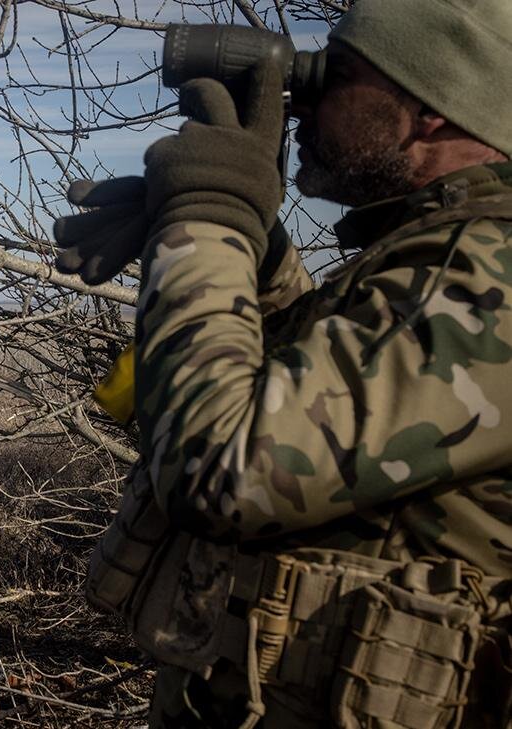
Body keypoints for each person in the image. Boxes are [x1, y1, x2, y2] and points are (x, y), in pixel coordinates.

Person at [63, 1, 512, 726]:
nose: (299, 100)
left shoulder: (490, 274)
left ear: (430, 108)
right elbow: (319, 403)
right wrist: (255, 248)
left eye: (336, 75)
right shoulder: (440, 259)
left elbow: (227, 463)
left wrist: (207, 213)